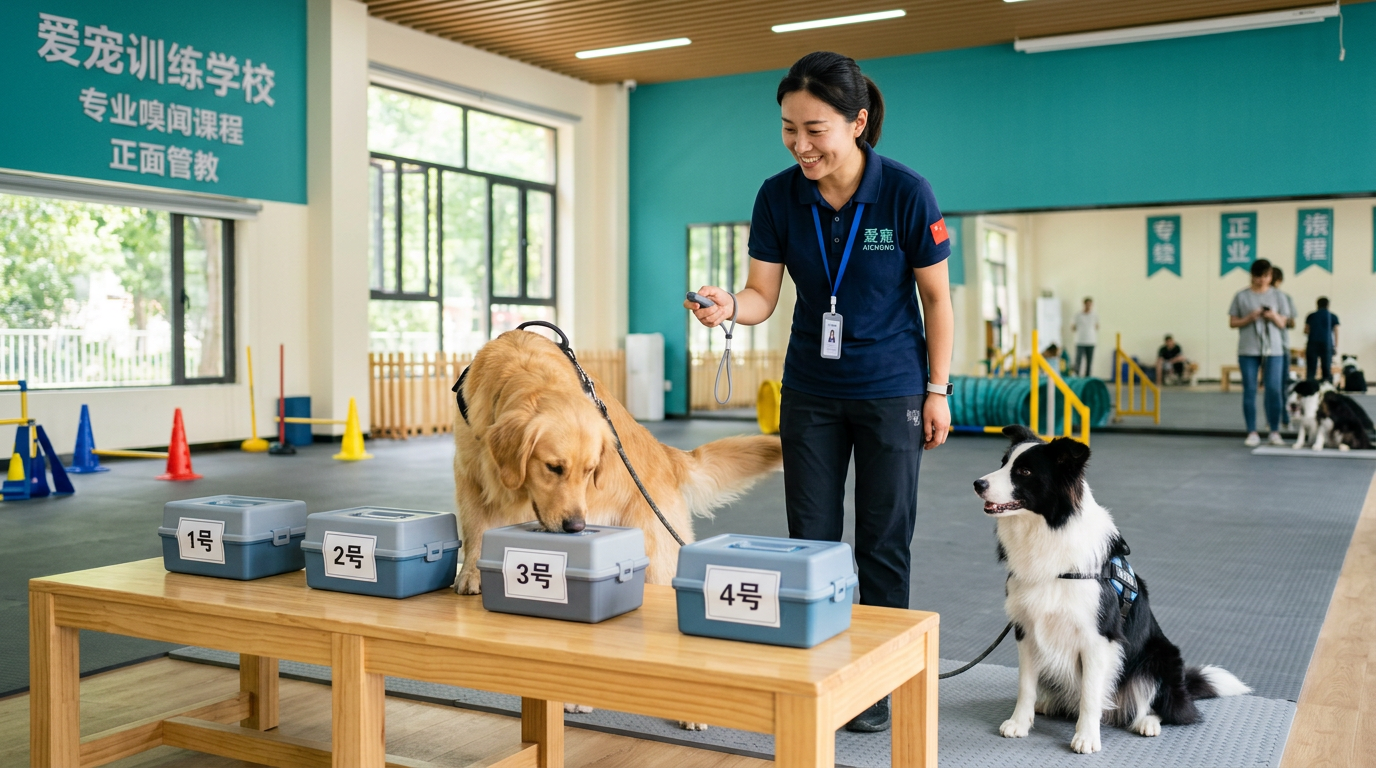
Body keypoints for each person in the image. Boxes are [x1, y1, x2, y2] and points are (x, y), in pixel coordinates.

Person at [686, 51, 953, 734]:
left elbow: (937, 300)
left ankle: (883, 680)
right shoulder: (778, 195)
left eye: (816, 129)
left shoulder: (906, 192)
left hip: (891, 388)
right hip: (810, 390)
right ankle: (820, 671)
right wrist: (727, 307)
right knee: (810, 540)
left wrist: (937, 390)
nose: (801, 145)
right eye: (787, 129)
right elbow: (762, 296)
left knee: (884, 543)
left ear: (857, 122)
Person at [1228, 259, 1288, 446]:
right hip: (1248, 350)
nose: (1262, 280)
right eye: (1258, 276)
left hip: (1274, 350)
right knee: (1250, 390)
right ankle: (1252, 431)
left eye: (1266, 276)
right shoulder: (1241, 296)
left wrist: (1272, 316)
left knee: (1273, 389)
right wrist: (1250, 317)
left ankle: (1275, 431)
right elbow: (1232, 322)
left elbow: (1283, 323)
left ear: (1270, 276)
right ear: (1252, 276)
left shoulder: (1279, 296)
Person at [1269, 266, 1297, 426]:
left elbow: (1290, 322)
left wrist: (1276, 317)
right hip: (1278, 346)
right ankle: (1283, 419)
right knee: (1280, 385)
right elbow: (1292, 323)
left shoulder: (1284, 297)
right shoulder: (1285, 297)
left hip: (1278, 346)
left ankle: (1279, 419)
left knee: (1273, 387)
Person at [1304, 297, 1340, 383]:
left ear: (1317, 304)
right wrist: (1336, 346)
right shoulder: (1332, 316)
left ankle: (1310, 388)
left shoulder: (1311, 315)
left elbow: (1306, 330)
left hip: (1312, 343)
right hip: (1327, 344)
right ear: (1328, 305)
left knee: (1311, 369)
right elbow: (1336, 331)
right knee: (1326, 368)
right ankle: (1327, 387)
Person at [1071, 297, 1098, 377]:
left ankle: (1087, 377)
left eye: (1090, 304)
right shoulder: (1078, 315)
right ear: (1084, 304)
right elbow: (1073, 327)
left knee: (1089, 362)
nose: (1088, 306)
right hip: (1080, 341)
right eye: (1087, 304)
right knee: (1078, 361)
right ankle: (1077, 376)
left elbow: (1097, 326)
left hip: (1091, 341)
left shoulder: (1095, 315)